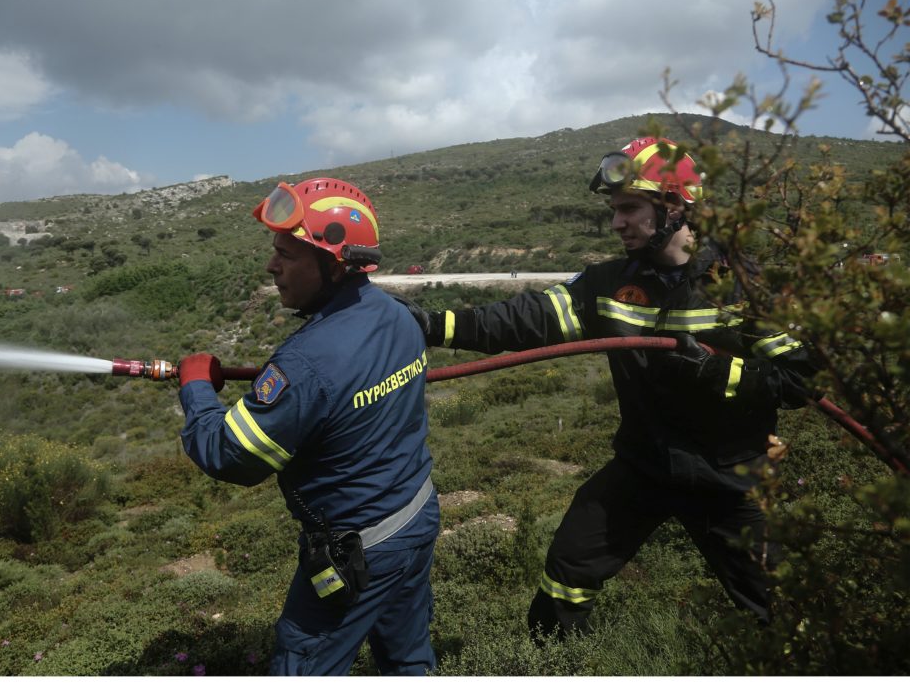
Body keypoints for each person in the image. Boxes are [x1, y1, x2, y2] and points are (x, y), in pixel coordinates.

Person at [410, 137, 816, 638]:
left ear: (675, 207)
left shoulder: (745, 287)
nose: (617, 222)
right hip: (643, 466)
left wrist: (719, 372)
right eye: (615, 210)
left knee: (780, 610)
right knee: (565, 576)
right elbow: (525, 319)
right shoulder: (609, 282)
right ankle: (555, 665)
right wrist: (430, 325)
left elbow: (802, 379)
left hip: (729, 479)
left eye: (629, 208)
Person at [177, 177, 439, 675]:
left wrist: (195, 388)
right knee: (407, 657)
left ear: (334, 263)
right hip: (415, 515)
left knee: (303, 665)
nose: (271, 266)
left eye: (287, 254)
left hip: (358, 550)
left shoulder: (306, 364)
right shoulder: (397, 316)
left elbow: (231, 457)